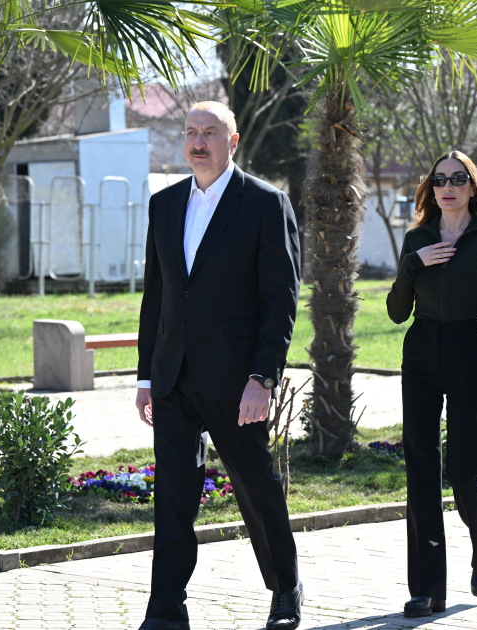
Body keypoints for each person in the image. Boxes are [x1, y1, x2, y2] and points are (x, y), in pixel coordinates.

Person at [134, 101, 303, 630]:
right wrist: (145, 376)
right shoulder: (163, 205)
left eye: (210, 132)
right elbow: (156, 297)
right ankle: (166, 609)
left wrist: (263, 378)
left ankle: (284, 587)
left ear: (232, 143)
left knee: (255, 485)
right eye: (190, 132)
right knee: (174, 496)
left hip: (237, 380)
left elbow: (281, 300)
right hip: (173, 376)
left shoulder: (265, 203)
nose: (198, 142)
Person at [386, 151, 477, 618]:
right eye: (440, 180)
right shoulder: (417, 237)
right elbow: (398, 312)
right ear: (431, 187)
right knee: (419, 469)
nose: (448, 187)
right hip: (419, 352)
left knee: (462, 464)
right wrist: (414, 263)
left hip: (466, 349)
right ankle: (427, 588)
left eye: (459, 179)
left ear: (472, 187)